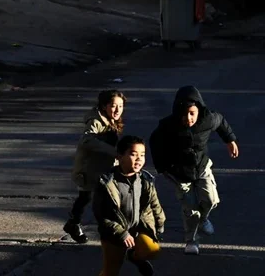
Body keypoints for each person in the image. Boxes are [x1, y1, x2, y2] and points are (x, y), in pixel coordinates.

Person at [149, 85, 239, 255]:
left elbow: (221, 121)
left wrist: (230, 140)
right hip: (179, 173)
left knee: (211, 199)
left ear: (199, 110)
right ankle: (191, 240)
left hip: (202, 167)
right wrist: (163, 168)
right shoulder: (168, 126)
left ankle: (204, 218)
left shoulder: (207, 120)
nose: (188, 118)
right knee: (190, 209)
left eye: (192, 113)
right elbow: (155, 142)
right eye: (184, 114)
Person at [93, 136, 165, 276]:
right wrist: (122, 233)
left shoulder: (145, 180)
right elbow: (101, 215)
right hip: (114, 233)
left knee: (152, 250)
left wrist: (159, 224)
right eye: (133, 154)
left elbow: (154, 204)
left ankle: (133, 256)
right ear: (119, 157)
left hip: (137, 228)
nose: (139, 159)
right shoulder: (107, 183)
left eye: (142, 155)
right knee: (111, 271)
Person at [64, 90, 126, 244]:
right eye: (113, 106)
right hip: (89, 169)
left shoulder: (109, 120)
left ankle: (74, 224)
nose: (117, 110)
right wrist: (113, 152)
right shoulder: (96, 121)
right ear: (104, 106)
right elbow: (87, 140)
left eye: (121, 106)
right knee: (91, 198)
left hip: (102, 168)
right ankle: (76, 224)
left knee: (93, 198)